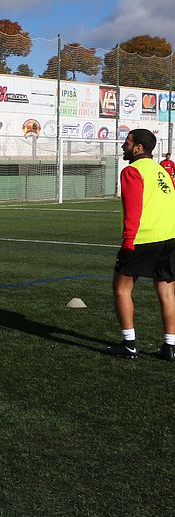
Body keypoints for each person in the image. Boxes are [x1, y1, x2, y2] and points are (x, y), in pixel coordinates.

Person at [109, 128, 175, 360]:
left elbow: (134, 208)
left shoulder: (132, 171)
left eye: (127, 143)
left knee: (121, 288)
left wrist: (128, 241)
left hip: (144, 239)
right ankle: (170, 347)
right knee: (166, 291)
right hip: (169, 238)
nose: (123, 146)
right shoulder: (161, 171)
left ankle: (129, 345)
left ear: (138, 148)